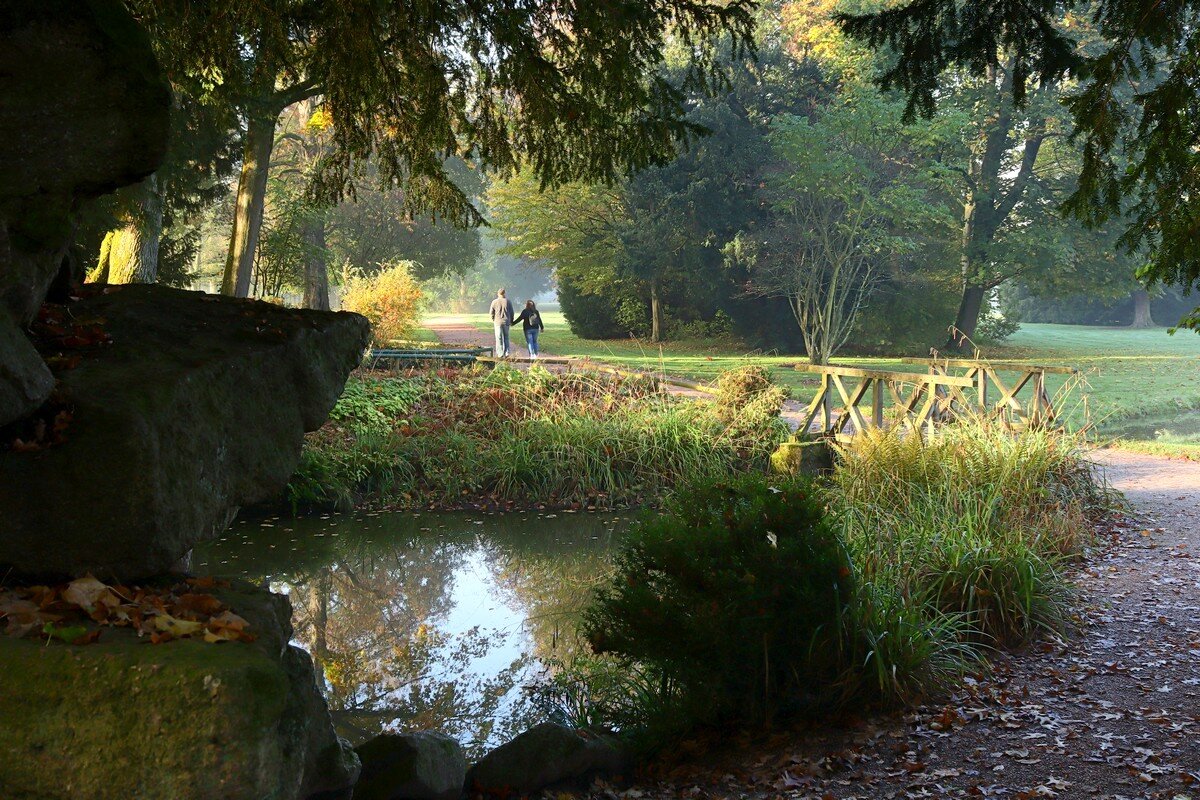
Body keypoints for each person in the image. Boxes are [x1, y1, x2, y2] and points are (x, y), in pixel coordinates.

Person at [488, 288, 514, 357]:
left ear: (498, 294)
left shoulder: (494, 301)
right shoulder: (508, 301)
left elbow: (491, 313)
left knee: (498, 338)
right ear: (504, 293)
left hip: (497, 322)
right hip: (506, 322)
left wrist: (493, 319)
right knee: (506, 337)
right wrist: (512, 321)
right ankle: (507, 352)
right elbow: (512, 312)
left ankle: (500, 353)